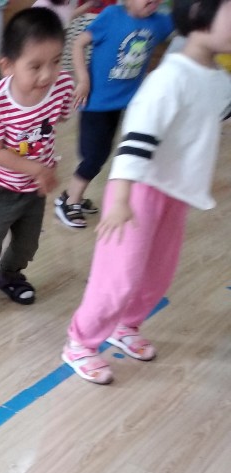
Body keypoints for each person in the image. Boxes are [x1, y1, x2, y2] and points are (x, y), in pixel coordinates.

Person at [61, 0, 231, 384]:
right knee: (118, 275)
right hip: (138, 192)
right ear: (199, 13)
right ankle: (81, 342)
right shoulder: (169, 78)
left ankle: (127, 325)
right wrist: (120, 199)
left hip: (177, 192)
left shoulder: (219, 79)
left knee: (158, 272)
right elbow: (136, 140)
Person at [0, 8, 74, 319]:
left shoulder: (60, 85)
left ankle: (10, 276)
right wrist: (38, 168)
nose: (47, 75)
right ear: (7, 66)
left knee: (27, 244)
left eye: (56, 61)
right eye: (35, 66)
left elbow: (55, 122)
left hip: (33, 187)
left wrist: (45, 166)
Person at [53, 0, 174, 228]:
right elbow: (79, 44)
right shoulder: (111, 15)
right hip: (95, 102)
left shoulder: (159, 21)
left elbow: (191, 24)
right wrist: (83, 79)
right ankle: (68, 202)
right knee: (95, 156)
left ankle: (72, 195)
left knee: (103, 153)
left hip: (124, 103)